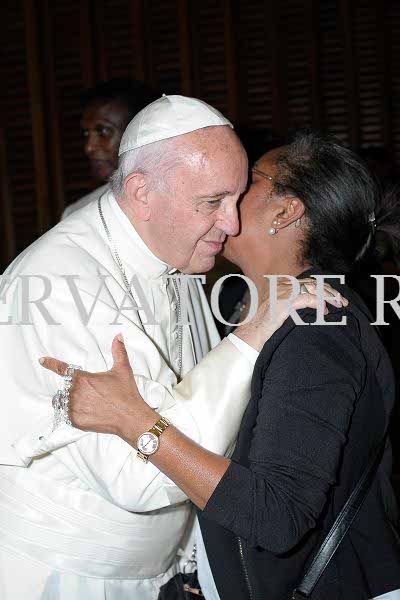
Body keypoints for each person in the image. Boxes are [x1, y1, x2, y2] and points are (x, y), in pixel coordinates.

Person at [0, 98, 339, 600]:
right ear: (142, 193)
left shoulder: (174, 249)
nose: (231, 224)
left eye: (238, 197)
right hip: (66, 577)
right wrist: (255, 332)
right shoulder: (57, 280)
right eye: (212, 202)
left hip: (162, 571)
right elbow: (139, 476)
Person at [62, 78, 158, 219]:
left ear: (138, 132)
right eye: (87, 134)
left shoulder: (179, 200)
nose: (89, 147)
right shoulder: (77, 215)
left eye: (103, 132)